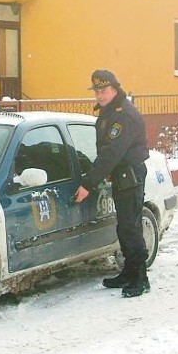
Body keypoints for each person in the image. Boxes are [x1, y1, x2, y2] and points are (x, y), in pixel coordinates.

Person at [74, 70, 151, 298]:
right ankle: (129, 272)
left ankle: (140, 278)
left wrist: (88, 184)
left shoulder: (122, 115)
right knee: (124, 226)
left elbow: (111, 153)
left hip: (130, 176)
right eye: (97, 91)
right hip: (121, 176)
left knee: (131, 226)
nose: (99, 94)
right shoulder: (110, 112)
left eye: (104, 90)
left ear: (115, 89)